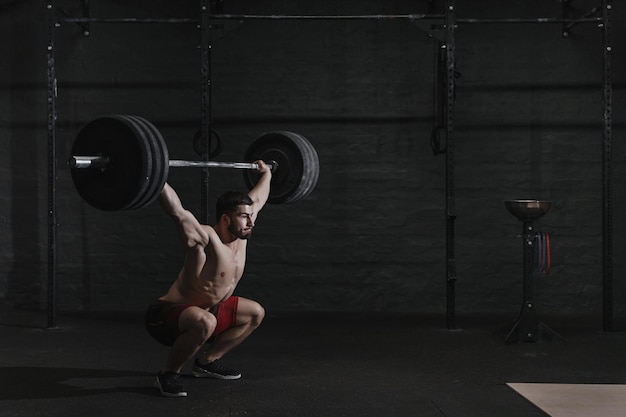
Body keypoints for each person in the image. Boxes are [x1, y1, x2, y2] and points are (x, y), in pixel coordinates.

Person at [144, 160, 272, 397]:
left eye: (250, 216)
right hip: (165, 316)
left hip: (206, 311)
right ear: (225, 219)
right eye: (244, 217)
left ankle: (206, 362)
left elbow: (258, 200)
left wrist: (267, 173)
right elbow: (177, 212)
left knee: (255, 312)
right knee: (206, 322)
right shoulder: (206, 238)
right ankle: (168, 374)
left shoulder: (242, 235)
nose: (251, 222)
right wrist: (153, 174)